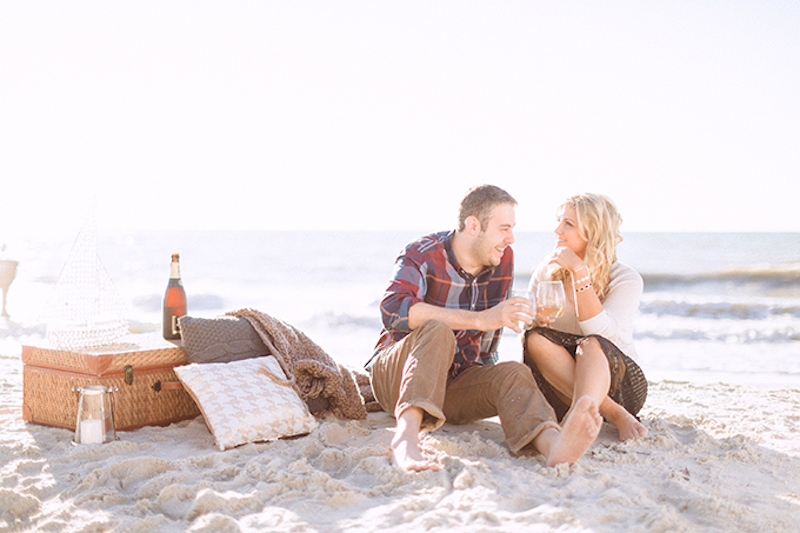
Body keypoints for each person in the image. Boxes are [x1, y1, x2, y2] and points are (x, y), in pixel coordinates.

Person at [366, 185, 603, 472]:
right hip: (398, 376)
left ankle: (553, 444)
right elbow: (392, 310)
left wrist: (520, 325)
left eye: (512, 228)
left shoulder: (502, 259)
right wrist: (480, 319)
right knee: (437, 330)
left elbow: (488, 344)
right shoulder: (422, 253)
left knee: (512, 373)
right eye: (504, 228)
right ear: (473, 225)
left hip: (453, 384)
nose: (511, 238)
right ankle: (406, 439)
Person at [523, 193, 648, 443]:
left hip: (618, 385)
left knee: (591, 343)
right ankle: (608, 413)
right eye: (559, 221)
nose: (557, 230)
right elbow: (529, 324)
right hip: (561, 384)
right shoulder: (547, 270)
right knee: (535, 339)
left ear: (593, 232)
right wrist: (532, 318)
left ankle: (603, 413)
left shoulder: (625, 278)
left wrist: (579, 271)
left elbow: (600, 332)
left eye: (568, 224)